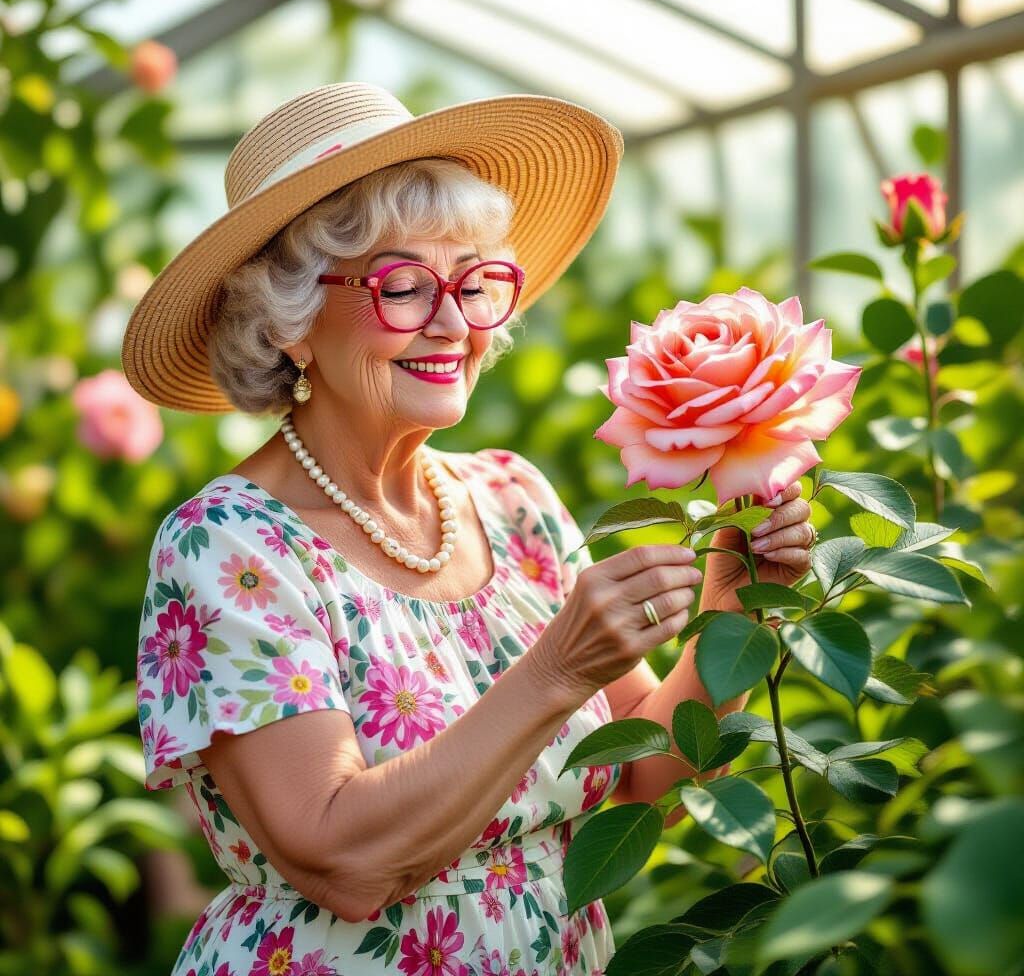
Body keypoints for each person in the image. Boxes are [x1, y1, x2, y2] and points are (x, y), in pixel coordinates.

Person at [123, 82, 729, 976]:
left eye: (476, 282)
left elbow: (642, 772)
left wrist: (735, 601)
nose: (454, 323)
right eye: (403, 285)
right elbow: (344, 862)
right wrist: (558, 666)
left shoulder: (512, 499)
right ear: (289, 323)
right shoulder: (229, 543)